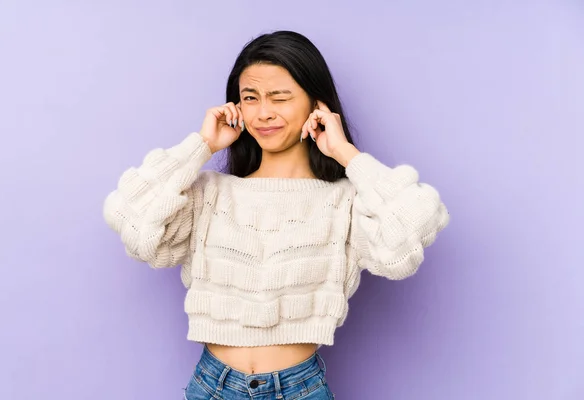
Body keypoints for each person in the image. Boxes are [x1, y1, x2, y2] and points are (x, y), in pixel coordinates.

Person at [103, 30, 449, 400]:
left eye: (279, 98)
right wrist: (201, 146)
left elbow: (409, 235)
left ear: (317, 105)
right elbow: (134, 222)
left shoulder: (346, 201)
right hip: (213, 386)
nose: (263, 112)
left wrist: (346, 153)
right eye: (250, 98)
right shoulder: (209, 193)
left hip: (300, 389)